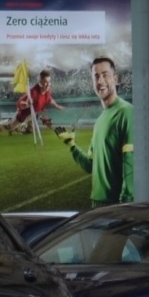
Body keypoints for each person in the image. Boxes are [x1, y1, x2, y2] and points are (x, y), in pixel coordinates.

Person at [56, 56, 133, 208]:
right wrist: (72, 146)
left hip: (116, 205)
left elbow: (131, 164)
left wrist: (126, 207)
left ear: (115, 79)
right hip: (96, 203)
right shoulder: (98, 122)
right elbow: (91, 165)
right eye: (96, 76)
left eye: (105, 75)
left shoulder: (127, 113)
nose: (100, 81)